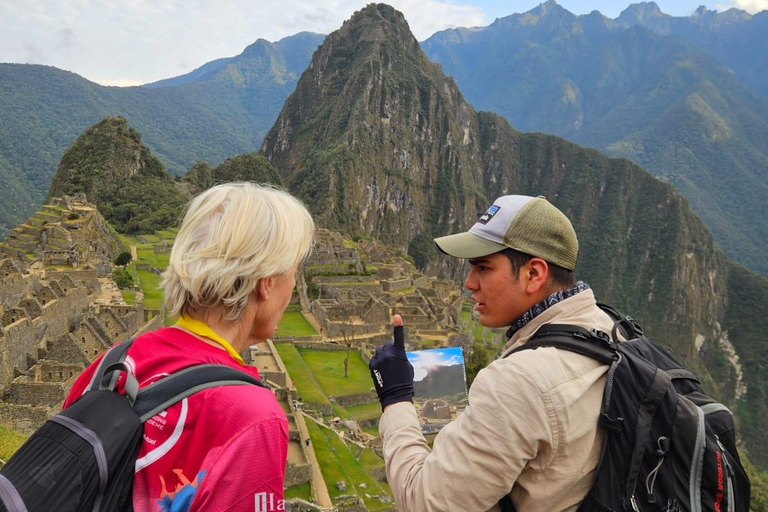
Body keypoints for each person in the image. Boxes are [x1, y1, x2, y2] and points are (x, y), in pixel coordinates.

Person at [63, 182, 315, 512]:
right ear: (266, 284)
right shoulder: (252, 417)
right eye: (293, 273)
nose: (294, 286)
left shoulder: (111, 365)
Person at [369, 195, 619, 512]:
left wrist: (396, 399)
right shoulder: (613, 331)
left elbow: (425, 502)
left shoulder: (518, 382)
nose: (469, 283)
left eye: (483, 268)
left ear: (534, 274)